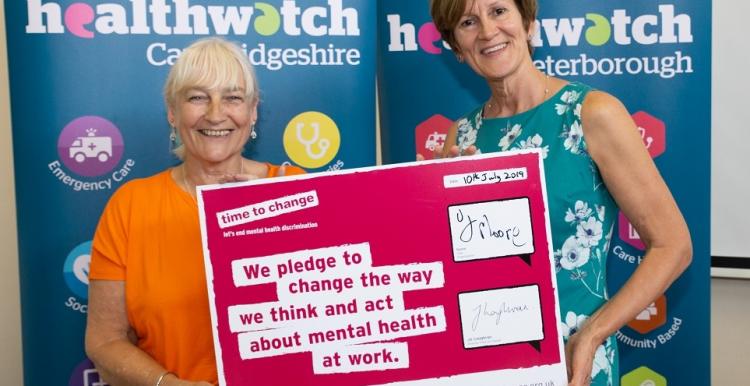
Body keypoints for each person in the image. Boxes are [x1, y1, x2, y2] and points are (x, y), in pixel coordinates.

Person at [429, 1, 692, 385]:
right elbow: (456, 266)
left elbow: (674, 246)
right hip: (484, 366)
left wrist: (591, 336)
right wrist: (425, 202)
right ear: (456, 47)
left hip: (572, 367)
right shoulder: (460, 135)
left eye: (499, 11)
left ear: (528, 21)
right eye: (469, 22)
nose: (487, 31)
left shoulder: (591, 113)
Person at [85, 37, 304, 386]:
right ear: (173, 111)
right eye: (197, 97)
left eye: (232, 97)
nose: (216, 113)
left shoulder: (296, 189)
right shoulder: (131, 205)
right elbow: (104, 340)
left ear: (253, 110)